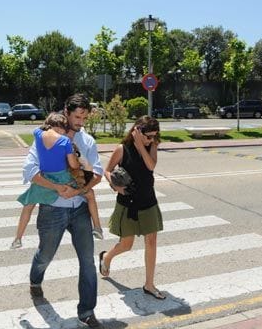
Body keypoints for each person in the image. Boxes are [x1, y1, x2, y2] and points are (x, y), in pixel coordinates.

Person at [23, 94, 103, 328]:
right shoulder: (46, 138)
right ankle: (35, 279)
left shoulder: (87, 141)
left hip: (79, 210)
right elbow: (30, 171)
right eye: (77, 116)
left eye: (85, 117)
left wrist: (78, 192)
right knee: (45, 255)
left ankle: (87, 312)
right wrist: (58, 187)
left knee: (87, 261)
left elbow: (97, 174)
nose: (81, 122)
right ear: (66, 112)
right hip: (52, 209)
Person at [11, 113, 103, 249]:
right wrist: (79, 163)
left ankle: (18, 238)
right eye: (64, 129)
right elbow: (73, 165)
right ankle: (97, 227)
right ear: (61, 128)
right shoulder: (64, 142)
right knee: (89, 194)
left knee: (28, 205)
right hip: (63, 178)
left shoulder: (38, 135)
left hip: (46, 178)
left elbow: (39, 130)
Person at [99, 116, 166, 300]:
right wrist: (115, 186)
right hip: (128, 202)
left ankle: (149, 284)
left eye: (154, 136)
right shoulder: (122, 149)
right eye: (148, 136)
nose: (151, 139)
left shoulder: (152, 146)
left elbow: (150, 166)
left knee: (151, 241)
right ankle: (106, 257)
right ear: (137, 131)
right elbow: (107, 170)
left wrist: (141, 145)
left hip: (148, 200)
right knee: (126, 245)